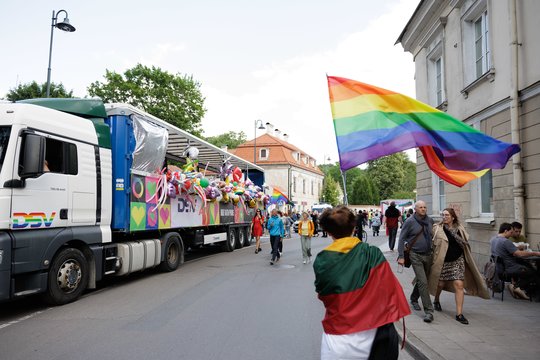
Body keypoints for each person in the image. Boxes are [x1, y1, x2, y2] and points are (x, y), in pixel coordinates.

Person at [313, 206, 410, 360]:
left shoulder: (322, 260)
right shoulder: (372, 253)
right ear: (354, 227)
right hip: (377, 334)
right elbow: (388, 289)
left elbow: (323, 293)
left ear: (329, 232)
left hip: (338, 339)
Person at [429, 208, 490, 325]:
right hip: (443, 261)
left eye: (447, 215)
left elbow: (465, 243)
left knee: (459, 284)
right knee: (440, 284)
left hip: (458, 260)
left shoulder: (460, 229)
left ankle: (459, 314)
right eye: (443, 215)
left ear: (453, 217)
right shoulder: (437, 228)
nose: (444, 217)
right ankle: (436, 300)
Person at [397, 200, 435, 323]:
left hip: (428, 254)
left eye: (425, 207)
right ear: (415, 209)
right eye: (420, 207)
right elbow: (402, 238)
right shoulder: (409, 221)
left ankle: (414, 298)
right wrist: (401, 256)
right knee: (423, 282)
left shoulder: (430, 220)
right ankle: (429, 311)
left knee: (422, 280)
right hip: (415, 255)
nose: (423, 209)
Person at [491, 222, 540, 300]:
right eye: (511, 232)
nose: (511, 234)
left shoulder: (493, 239)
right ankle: (516, 286)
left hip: (498, 268)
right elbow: (519, 254)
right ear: (505, 231)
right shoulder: (505, 241)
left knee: (527, 267)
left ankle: (520, 289)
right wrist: (535, 253)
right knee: (533, 272)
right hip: (508, 268)